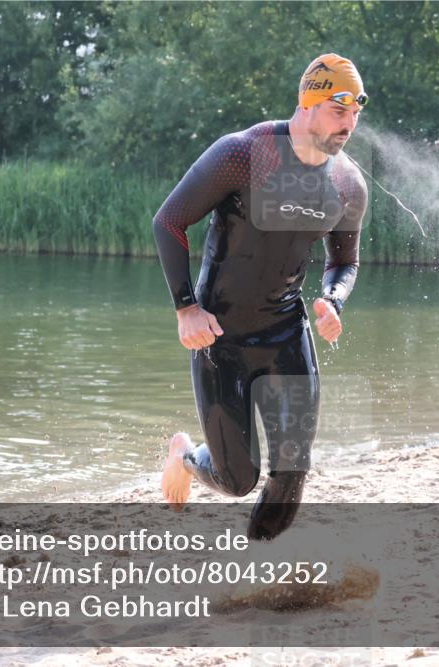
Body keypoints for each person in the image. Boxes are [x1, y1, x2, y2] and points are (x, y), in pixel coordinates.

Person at [152, 53, 370, 541]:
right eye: (340, 112)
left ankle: (258, 564)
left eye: (356, 115)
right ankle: (186, 456)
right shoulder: (243, 154)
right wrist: (187, 308)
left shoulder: (347, 184)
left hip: (286, 331)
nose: (349, 126)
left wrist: (333, 300)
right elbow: (168, 221)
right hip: (219, 335)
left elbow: (344, 260)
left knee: (292, 470)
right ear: (308, 103)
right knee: (237, 479)